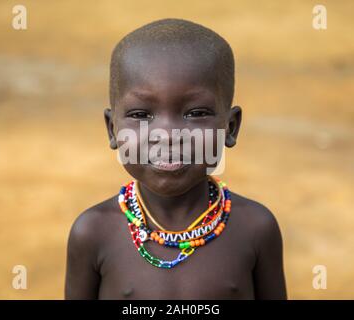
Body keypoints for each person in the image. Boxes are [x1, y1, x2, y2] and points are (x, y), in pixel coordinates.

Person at [65, 18, 287, 300]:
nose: (167, 135)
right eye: (140, 115)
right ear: (112, 129)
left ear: (230, 127)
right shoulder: (93, 233)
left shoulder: (255, 228)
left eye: (195, 114)